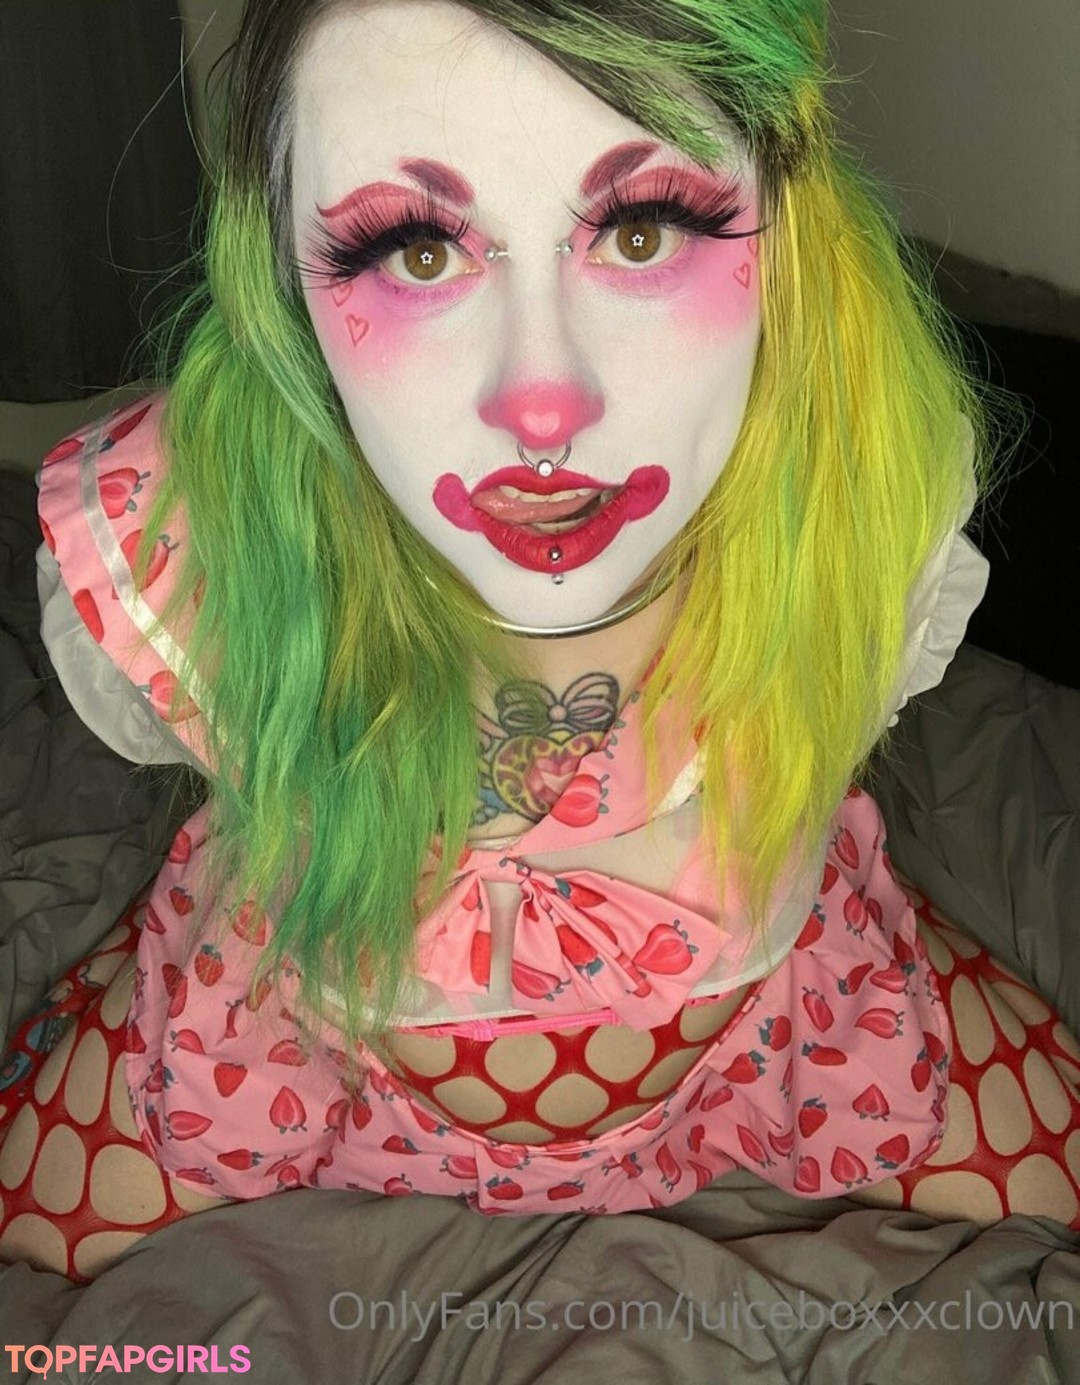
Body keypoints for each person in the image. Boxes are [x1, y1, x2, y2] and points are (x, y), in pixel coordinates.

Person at [1, 0, 1078, 1284]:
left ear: (788, 229)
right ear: (283, 278)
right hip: (289, 1056)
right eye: (416, 252)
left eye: (640, 230)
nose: (545, 401)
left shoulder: (856, 509)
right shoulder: (197, 554)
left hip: (774, 1045)